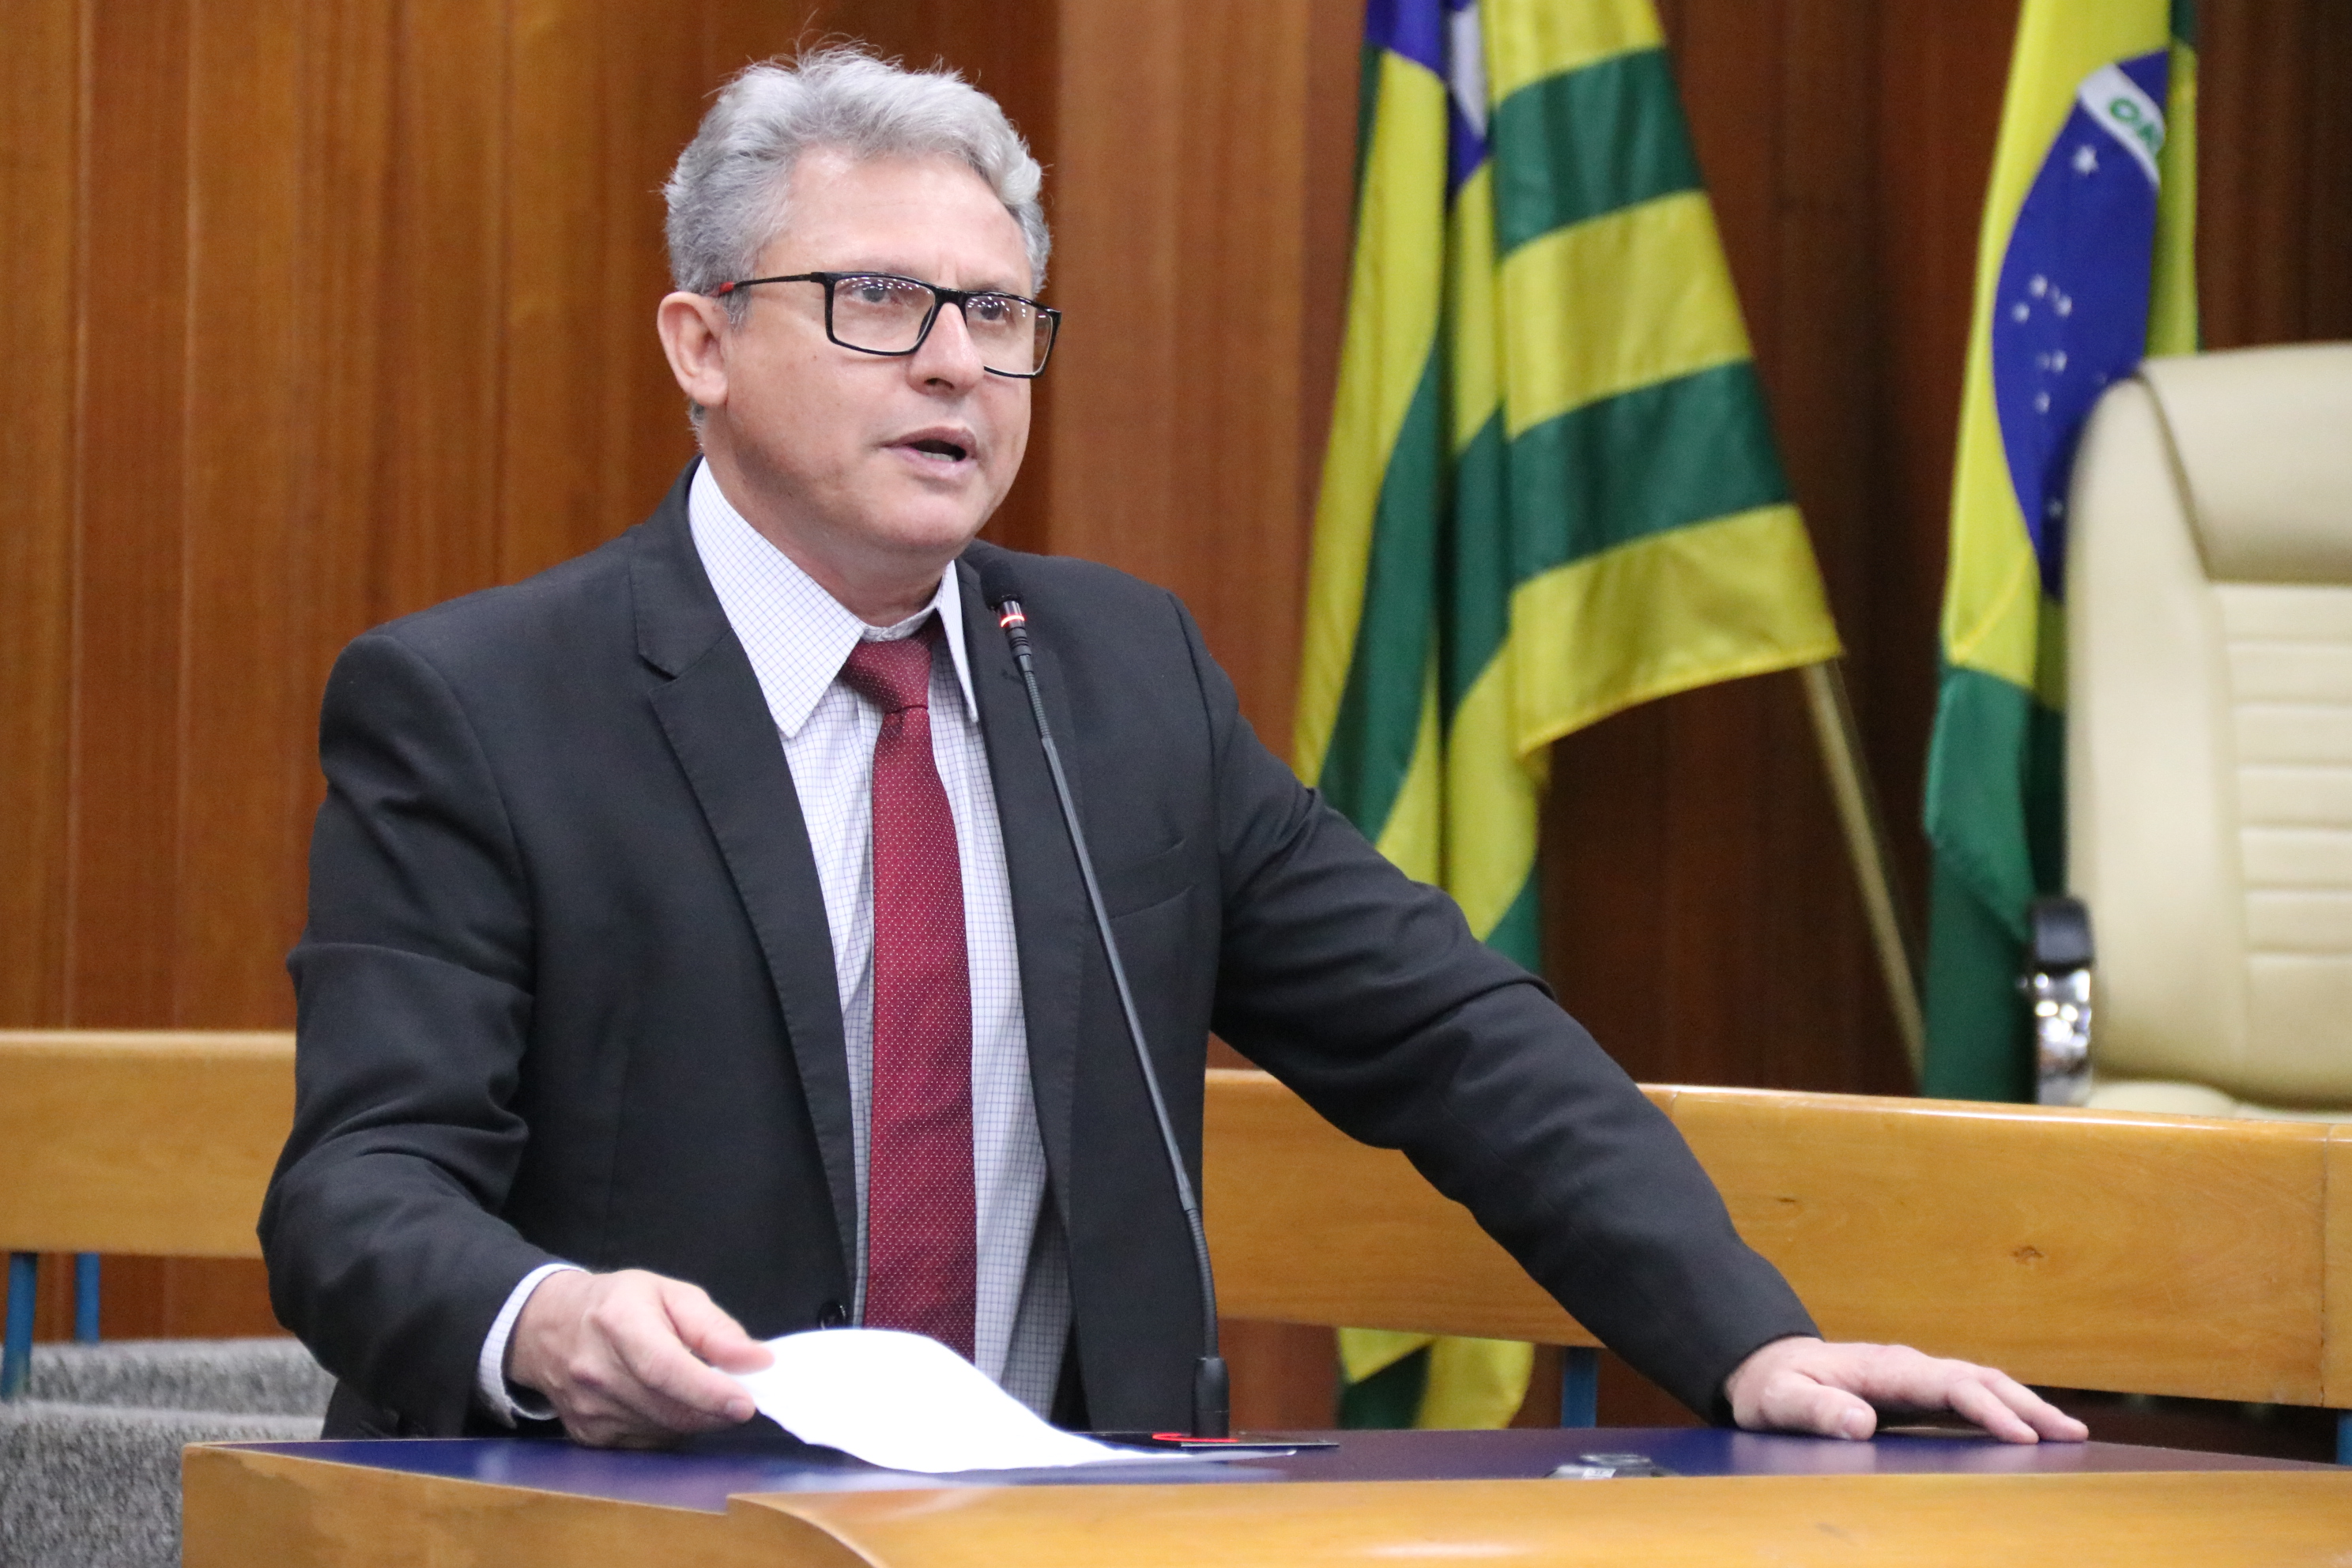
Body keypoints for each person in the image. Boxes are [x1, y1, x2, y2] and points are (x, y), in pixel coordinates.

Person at [261, 47, 2086, 1452]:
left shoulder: (1117, 676)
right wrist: (548, 1318)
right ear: (703, 341)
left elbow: (1451, 1036)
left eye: (997, 315)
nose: (955, 366)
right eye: (879, 301)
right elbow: (358, 1190)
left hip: (1056, 1523)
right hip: (624, 1521)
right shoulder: (483, 705)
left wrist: (1749, 1335)